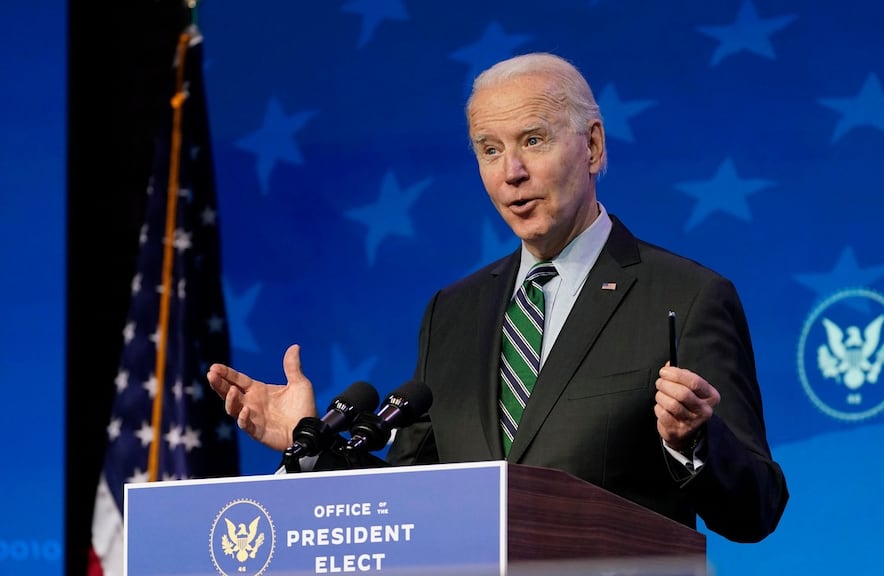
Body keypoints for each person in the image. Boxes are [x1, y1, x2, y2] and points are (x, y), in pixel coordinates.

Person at [209, 52, 788, 543]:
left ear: (592, 146)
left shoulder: (687, 296)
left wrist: (692, 442)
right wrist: (309, 443)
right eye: (489, 149)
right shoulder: (453, 313)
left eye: (532, 141)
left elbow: (757, 508)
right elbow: (409, 501)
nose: (511, 172)